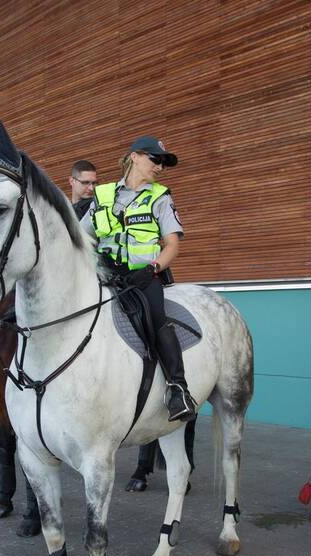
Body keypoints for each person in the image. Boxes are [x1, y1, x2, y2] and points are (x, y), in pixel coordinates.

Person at [79, 135, 197, 422]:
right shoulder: (103, 195)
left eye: (163, 164)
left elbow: (172, 245)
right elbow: (82, 237)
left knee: (157, 319)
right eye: (155, 159)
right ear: (135, 156)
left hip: (143, 278)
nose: (159, 167)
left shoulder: (160, 197)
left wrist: (153, 268)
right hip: (106, 275)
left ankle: (178, 388)